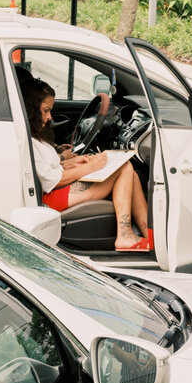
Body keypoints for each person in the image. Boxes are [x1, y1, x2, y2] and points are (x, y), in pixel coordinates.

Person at [22, 76, 151, 252]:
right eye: (45, 110)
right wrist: (90, 167)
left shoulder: (36, 138)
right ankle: (124, 236)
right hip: (51, 197)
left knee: (132, 174)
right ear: (31, 110)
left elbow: (47, 168)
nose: (49, 116)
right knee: (124, 168)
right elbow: (52, 180)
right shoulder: (28, 140)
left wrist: (74, 162)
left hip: (55, 191)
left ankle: (148, 235)